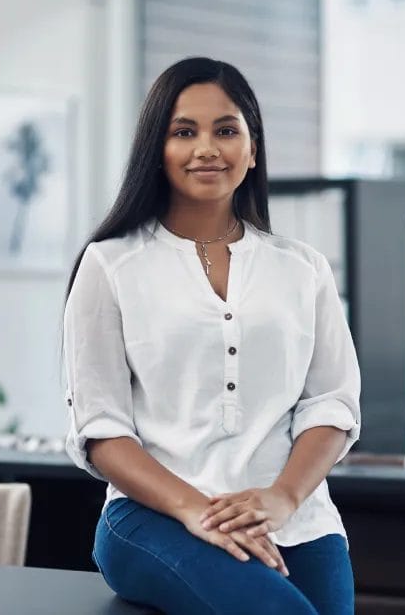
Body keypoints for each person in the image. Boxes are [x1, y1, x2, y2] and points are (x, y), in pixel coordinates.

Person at [62, 57, 360, 615]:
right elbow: (101, 430)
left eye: (226, 130)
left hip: (297, 515)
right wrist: (195, 509)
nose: (207, 148)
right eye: (183, 132)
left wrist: (282, 497)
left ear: (252, 149)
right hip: (154, 518)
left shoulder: (305, 267)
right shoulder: (110, 265)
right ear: (157, 149)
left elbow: (332, 404)